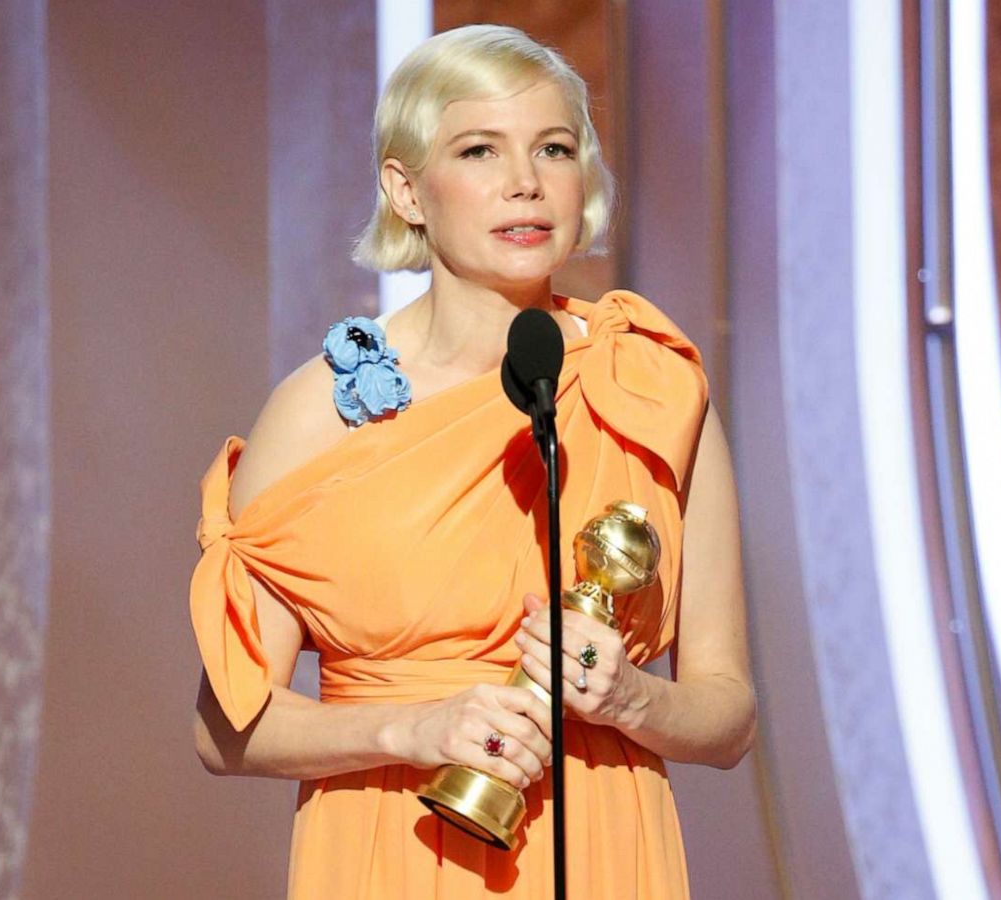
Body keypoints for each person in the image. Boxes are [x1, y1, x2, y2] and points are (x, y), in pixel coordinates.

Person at [189, 23, 755, 899]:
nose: (525, 182)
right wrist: (412, 730)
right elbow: (225, 730)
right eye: (480, 149)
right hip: (395, 844)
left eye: (554, 148)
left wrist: (631, 701)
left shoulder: (653, 385)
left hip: (603, 845)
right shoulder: (318, 409)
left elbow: (727, 713)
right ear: (407, 191)